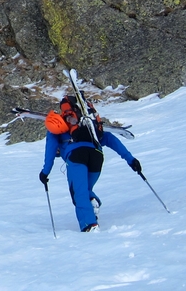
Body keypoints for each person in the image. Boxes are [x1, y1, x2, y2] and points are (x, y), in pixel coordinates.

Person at [38, 95, 141, 232]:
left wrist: (45, 173)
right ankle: (92, 201)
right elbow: (110, 139)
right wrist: (131, 160)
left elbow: (50, 152)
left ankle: (89, 225)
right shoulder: (90, 128)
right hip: (97, 157)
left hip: (76, 158)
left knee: (79, 193)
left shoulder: (57, 131)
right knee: (85, 190)